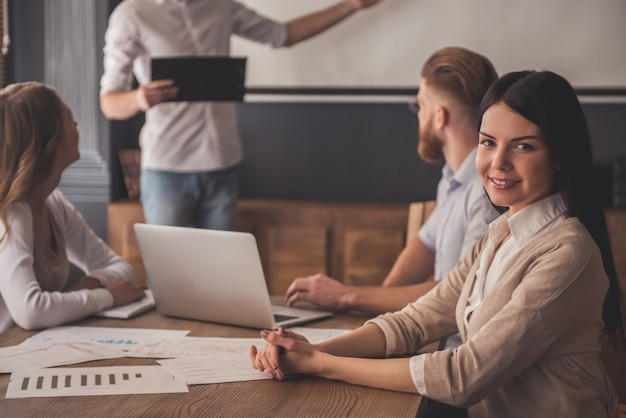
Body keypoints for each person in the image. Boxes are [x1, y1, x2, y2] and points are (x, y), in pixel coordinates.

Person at [250, 71, 625, 417]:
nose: (498, 162)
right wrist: (308, 351)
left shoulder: (567, 252)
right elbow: (415, 321)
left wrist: (321, 365)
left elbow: (465, 375)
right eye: (488, 142)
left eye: (523, 146)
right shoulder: (499, 234)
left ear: (560, 155)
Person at [99, 0, 382, 230]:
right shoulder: (132, 15)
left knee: (222, 274)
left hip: (223, 164)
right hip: (168, 170)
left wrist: (351, 5)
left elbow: (283, 35)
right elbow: (109, 103)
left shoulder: (221, 6)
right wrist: (138, 98)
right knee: (168, 275)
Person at [284, 47, 499, 315]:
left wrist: (347, 296)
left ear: (439, 116)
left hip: (453, 352)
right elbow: (425, 244)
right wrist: (378, 304)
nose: (418, 116)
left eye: (420, 106)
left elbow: (460, 292)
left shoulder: (488, 192)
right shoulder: (452, 180)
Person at [0, 82, 146, 334]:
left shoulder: (53, 203)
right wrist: (106, 297)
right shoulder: (12, 212)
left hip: (36, 346)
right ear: (49, 140)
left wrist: (90, 284)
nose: (77, 126)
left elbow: (123, 269)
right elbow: (30, 312)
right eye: (69, 119)